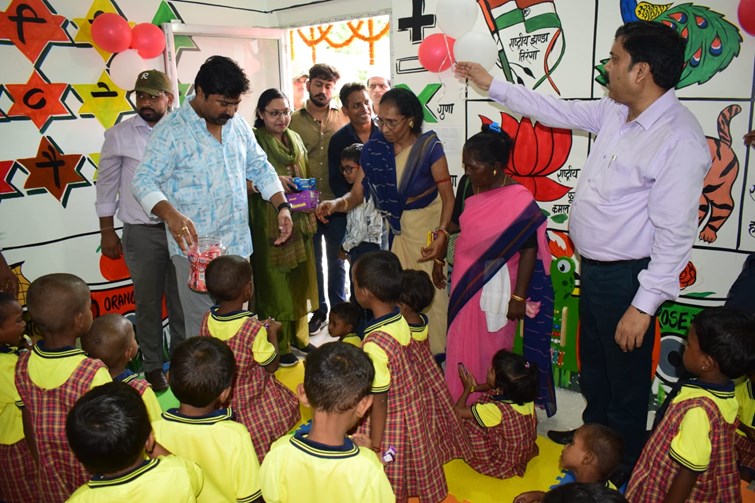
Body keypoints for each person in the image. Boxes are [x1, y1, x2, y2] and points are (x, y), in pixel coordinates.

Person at [457, 20, 711, 464]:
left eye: (615, 58)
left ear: (641, 72)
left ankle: (622, 464)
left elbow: (675, 236)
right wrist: (491, 84)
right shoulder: (615, 110)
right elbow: (554, 110)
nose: (607, 66)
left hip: (629, 278)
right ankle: (592, 439)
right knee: (595, 368)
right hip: (594, 268)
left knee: (626, 379)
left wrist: (642, 306)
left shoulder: (679, 139)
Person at [132, 56, 292, 340]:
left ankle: (241, 382)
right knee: (204, 332)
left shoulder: (237, 126)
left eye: (235, 104)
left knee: (241, 328)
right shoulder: (171, 131)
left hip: (237, 248)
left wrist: (282, 205)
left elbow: (260, 166)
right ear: (200, 91)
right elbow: (143, 181)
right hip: (196, 254)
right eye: (223, 103)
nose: (230, 111)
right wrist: (170, 214)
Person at [317, 88, 455, 355]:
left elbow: (448, 198)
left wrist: (442, 237)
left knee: (432, 297)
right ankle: (405, 353)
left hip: (428, 236)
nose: (385, 128)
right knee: (399, 297)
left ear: (411, 119)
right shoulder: (374, 151)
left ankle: (435, 355)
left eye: (392, 122)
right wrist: (335, 205)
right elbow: (357, 194)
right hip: (399, 235)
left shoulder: (429, 147)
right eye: (381, 121)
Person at [440, 126, 555, 415]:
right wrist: (439, 239)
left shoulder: (518, 200)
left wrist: (518, 298)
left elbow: (529, 248)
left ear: (495, 168)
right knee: (459, 343)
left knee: (492, 350)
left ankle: (489, 411)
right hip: (465, 282)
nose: (467, 172)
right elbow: (457, 223)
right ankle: (460, 404)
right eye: (465, 165)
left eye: (473, 166)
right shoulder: (469, 184)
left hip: (498, 286)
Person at [96, 70, 184, 392]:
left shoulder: (184, 131)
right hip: (142, 231)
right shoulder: (119, 135)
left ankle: (181, 362)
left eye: (153, 96)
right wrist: (107, 230)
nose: (145, 103)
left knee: (181, 300)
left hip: (180, 231)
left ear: (168, 99)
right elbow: (105, 186)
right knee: (147, 303)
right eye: (140, 96)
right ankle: (151, 367)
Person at [625, 308, 755, 502]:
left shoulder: (698, 410)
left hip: (669, 484)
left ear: (706, 362)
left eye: (689, 345)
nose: (684, 346)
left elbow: (688, 472)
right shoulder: (726, 390)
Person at [352, 251, 447, 502]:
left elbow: (379, 400)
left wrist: (374, 442)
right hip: (411, 410)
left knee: (388, 466)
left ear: (364, 293)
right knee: (404, 460)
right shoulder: (401, 318)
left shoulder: (375, 342)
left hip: (390, 420)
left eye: (354, 283)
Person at [14, 274, 112, 501]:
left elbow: (27, 418)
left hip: (49, 471)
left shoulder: (22, 364)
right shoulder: (92, 372)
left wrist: (39, 462)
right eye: (89, 307)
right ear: (78, 320)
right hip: (89, 472)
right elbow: (107, 429)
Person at [260, 342, 394, 503]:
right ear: (364, 405)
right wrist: (370, 457)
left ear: (303, 394)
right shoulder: (369, 469)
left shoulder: (278, 453)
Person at [199, 255, 300, 459]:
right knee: (259, 439)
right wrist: (272, 333)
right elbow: (271, 365)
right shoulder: (252, 328)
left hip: (219, 396)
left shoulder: (207, 319)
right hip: (252, 399)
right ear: (247, 290)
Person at [251, 88, 319, 364]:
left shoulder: (295, 137)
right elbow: (250, 177)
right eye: (274, 113)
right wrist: (275, 179)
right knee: (276, 283)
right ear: (260, 114)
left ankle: (299, 337)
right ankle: (280, 344)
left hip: (299, 219)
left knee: (299, 281)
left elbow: (306, 172)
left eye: (286, 111)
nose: (282, 118)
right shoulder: (255, 141)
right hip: (269, 221)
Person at [152, 336, 262, 503]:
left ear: (168, 378)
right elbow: (251, 498)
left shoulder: (153, 432)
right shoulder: (235, 436)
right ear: (225, 393)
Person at [65, 382, 204, 502]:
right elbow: (196, 475)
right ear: (149, 440)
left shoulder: (79, 499)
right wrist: (149, 441)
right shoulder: (178, 473)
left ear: (81, 459)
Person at [289, 64, 349, 335]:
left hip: (337, 204)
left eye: (328, 86)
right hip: (306, 207)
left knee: (337, 260)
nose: (323, 90)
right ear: (308, 84)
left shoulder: (342, 118)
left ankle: (339, 310)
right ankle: (320, 310)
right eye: (318, 84)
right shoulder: (293, 120)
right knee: (313, 262)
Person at [399, 269, 471, 465]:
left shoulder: (403, 331)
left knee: (410, 422)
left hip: (411, 383)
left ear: (403, 307)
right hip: (427, 377)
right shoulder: (421, 320)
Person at [454, 349, 539, 479]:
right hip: (521, 450)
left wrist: (466, 389)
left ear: (501, 387)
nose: (488, 369)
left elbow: (457, 412)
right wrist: (474, 388)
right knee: (489, 397)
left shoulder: (497, 410)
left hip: (502, 462)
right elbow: (492, 387)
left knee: (465, 428)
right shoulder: (522, 394)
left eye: (492, 370)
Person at [80, 314, 162, 423]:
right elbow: (157, 425)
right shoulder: (140, 389)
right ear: (128, 353)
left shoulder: (82, 384)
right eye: (133, 338)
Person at [514, 424, 624, 503]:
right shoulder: (606, 493)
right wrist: (542, 496)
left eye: (572, 443)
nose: (564, 447)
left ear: (586, 458)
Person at [0, 292, 36, 502]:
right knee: (23, 494)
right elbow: (27, 393)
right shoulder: (4, 366)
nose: (23, 325)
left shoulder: (12, 351)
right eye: (18, 321)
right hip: (14, 445)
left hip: (21, 439)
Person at [327, 83, 381, 217]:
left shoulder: (384, 134)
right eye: (357, 105)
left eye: (367, 102)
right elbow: (336, 180)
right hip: (351, 211)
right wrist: (351, 203)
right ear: (345, 110)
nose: (365, 109)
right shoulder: (338, 140)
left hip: (384, 210)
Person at [338, 144, 383, 264]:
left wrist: (344, 248)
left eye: (349, 168)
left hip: (365, 247)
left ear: (363, 168)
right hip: (367, 247)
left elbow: (360, 229)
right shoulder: (369, 189)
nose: (345, 173)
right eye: (342, 169)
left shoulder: (362, 194)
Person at [734, 368, 755, 481]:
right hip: (738, 438)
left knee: (747, 471)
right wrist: (747, 429)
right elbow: (729, 417)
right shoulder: (739, 391)